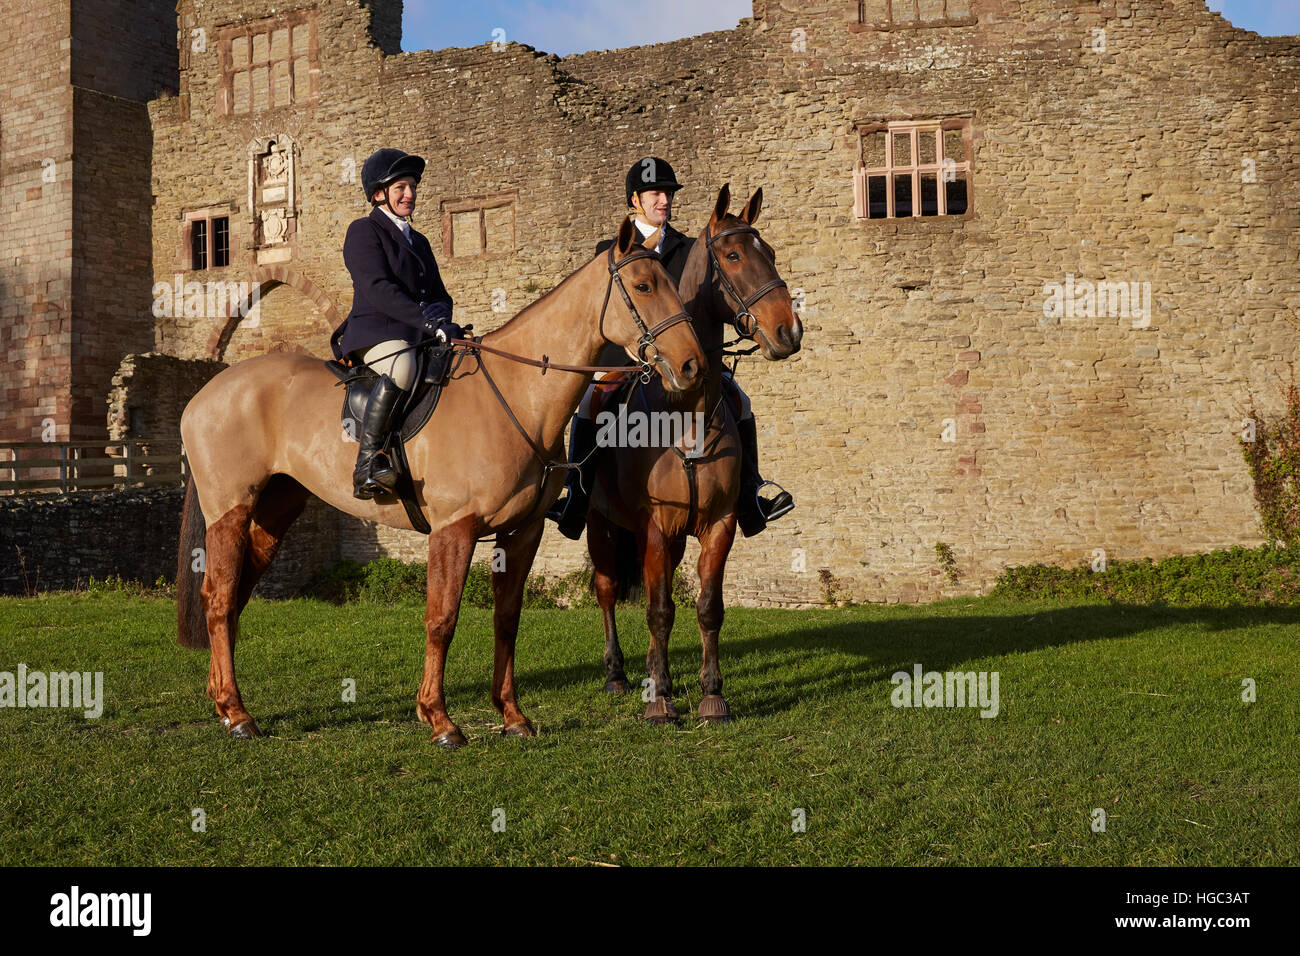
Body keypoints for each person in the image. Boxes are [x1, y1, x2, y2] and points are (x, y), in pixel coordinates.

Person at [546, 156, 793, 539]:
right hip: (626, 361)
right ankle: (575, 498)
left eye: (668, 194)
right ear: (635, 201)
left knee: (740, 402)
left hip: (683, 361)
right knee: (588, 402)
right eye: (655, 193)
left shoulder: (692, 249)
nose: (664, 200)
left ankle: (751, 496)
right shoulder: (608, 251)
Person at [330, 148, 461, 500]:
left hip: (416, 333)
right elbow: (377, 289)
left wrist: (443, 320)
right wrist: (427, 322)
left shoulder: (420, 241)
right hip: (375, 332)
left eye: (413, 186)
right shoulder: (363, 231)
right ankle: (367, 464)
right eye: (401, 187)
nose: (410, 194)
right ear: (379, 193)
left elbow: (439, 295)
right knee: (402, 366)